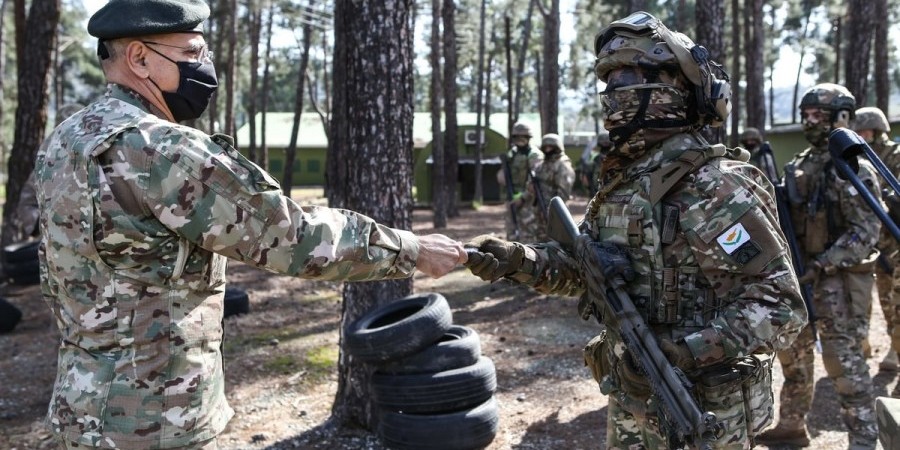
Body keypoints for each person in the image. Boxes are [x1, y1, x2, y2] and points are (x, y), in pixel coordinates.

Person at [35, 1, 467, 449]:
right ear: (140, 58)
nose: (205, 67)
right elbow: (292, 236)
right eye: (192, 53)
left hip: (80, 410)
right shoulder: (159, 148)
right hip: (155, 422)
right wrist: (410, 250)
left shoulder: (67, 139)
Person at [464, 11, 806, 449]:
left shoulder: (713, 186)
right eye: (609, 84)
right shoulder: (626, 184)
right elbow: (583, 270)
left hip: (700, 411)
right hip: (634, 397)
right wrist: (517, 260)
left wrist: (684, 350)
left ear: (671, 88)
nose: (611, 95)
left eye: (625, 80)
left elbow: (780, 307)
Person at [756, 84, 881, 449]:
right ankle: (792, 425)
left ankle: (864, 438)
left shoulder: (853, 167)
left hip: (838, 284)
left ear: (840, 118)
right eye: (805, 114)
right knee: (793, 357)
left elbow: (866, 231)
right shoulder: (801, 163)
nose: (809, 122)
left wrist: (825, 262)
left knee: (845, 365)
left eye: (817, 115)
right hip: (801, 278)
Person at [853, 106, 900, 374]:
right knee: (877, 296)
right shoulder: (859, 158)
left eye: (864, 130)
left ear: (876, 130)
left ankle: (895, 348)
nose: (861, 135)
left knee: (895, 298)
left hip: (894, 238)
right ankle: (871, 343)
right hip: (871, 241)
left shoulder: (894, 156)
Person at [520, 133, 575, 241]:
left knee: (555, 242)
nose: (548, 149)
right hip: (539, 210)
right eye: (545, 147)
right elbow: (532, 184)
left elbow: (563, 193)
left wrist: (553, 211)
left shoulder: (562, 165)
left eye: (551, 147)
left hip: (554, 212)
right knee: (540, 240)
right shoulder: (542, 165)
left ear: (557, 147)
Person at [499, 122, 543, 241]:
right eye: (516, 137)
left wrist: (523, 198)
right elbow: (503, 175)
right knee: (511, 235)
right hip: (511, 199)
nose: (519, 140)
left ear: (528, 138)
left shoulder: (534, 155)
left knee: (528, 236)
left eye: (522, 137)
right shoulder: (512, 153)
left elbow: (535, 182)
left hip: (528, 202)